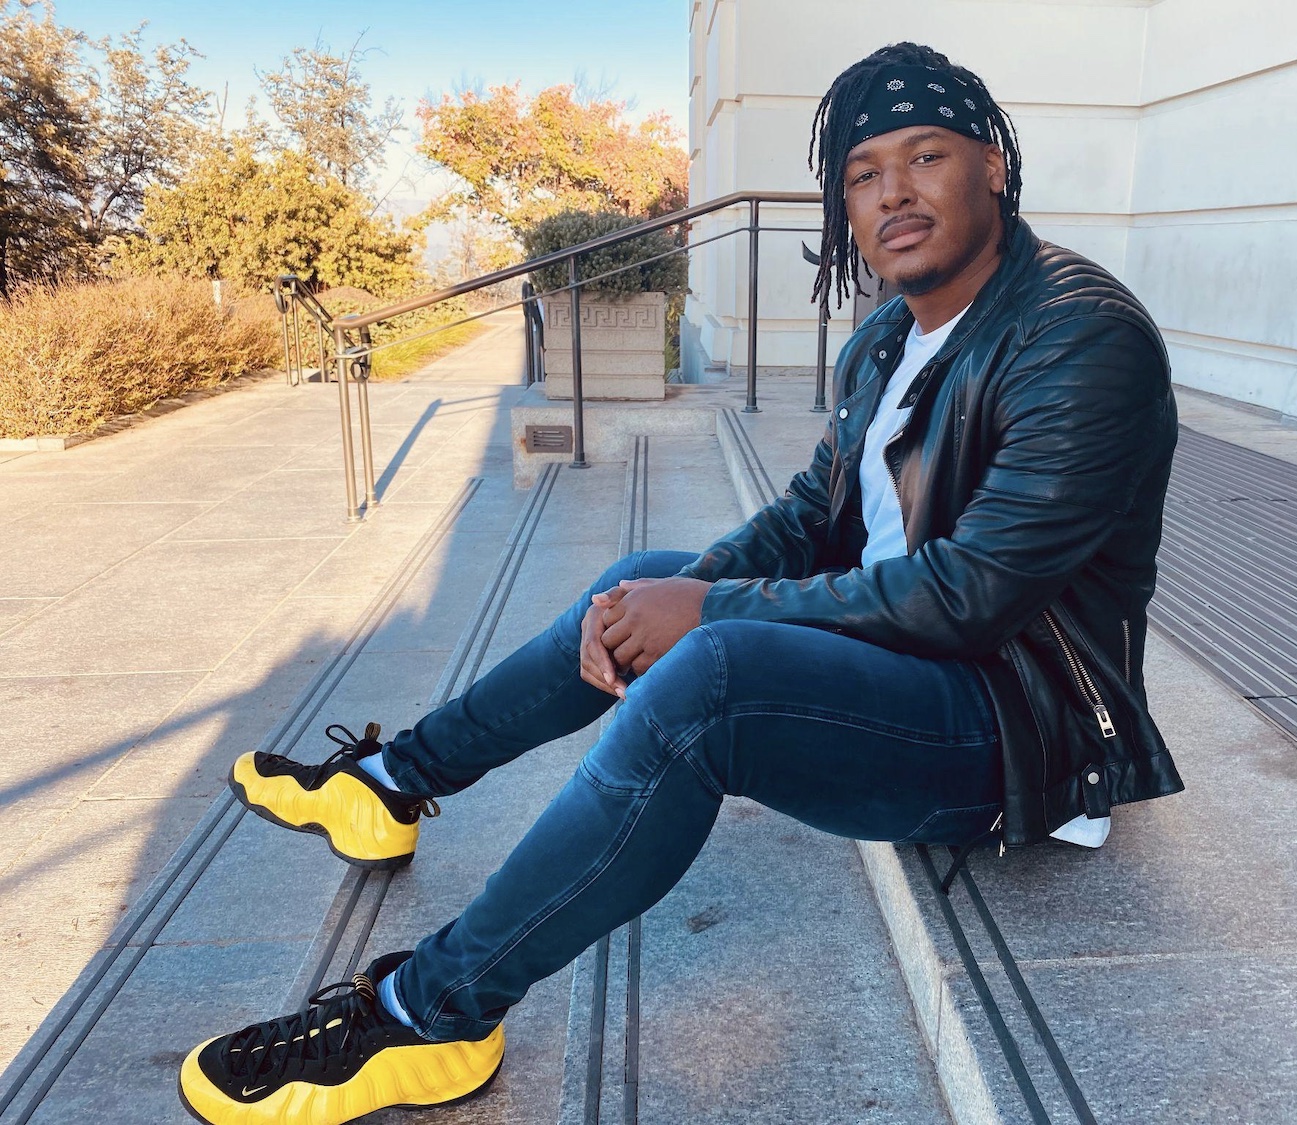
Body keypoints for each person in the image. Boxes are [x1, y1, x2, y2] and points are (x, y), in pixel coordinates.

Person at [178, 40, 1184, 1125]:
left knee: (714, 674)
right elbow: (813, 516)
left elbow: (975, 593)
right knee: (638, 581)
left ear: (992, 166)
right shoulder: (893, 332)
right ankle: (393, 782)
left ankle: (433, 1014)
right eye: (861, 173)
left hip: (1019, 724)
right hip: (916, 663)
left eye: (925, 156)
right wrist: (686, 588)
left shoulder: (1082, 339)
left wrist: (708, 612)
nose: (892, 193)